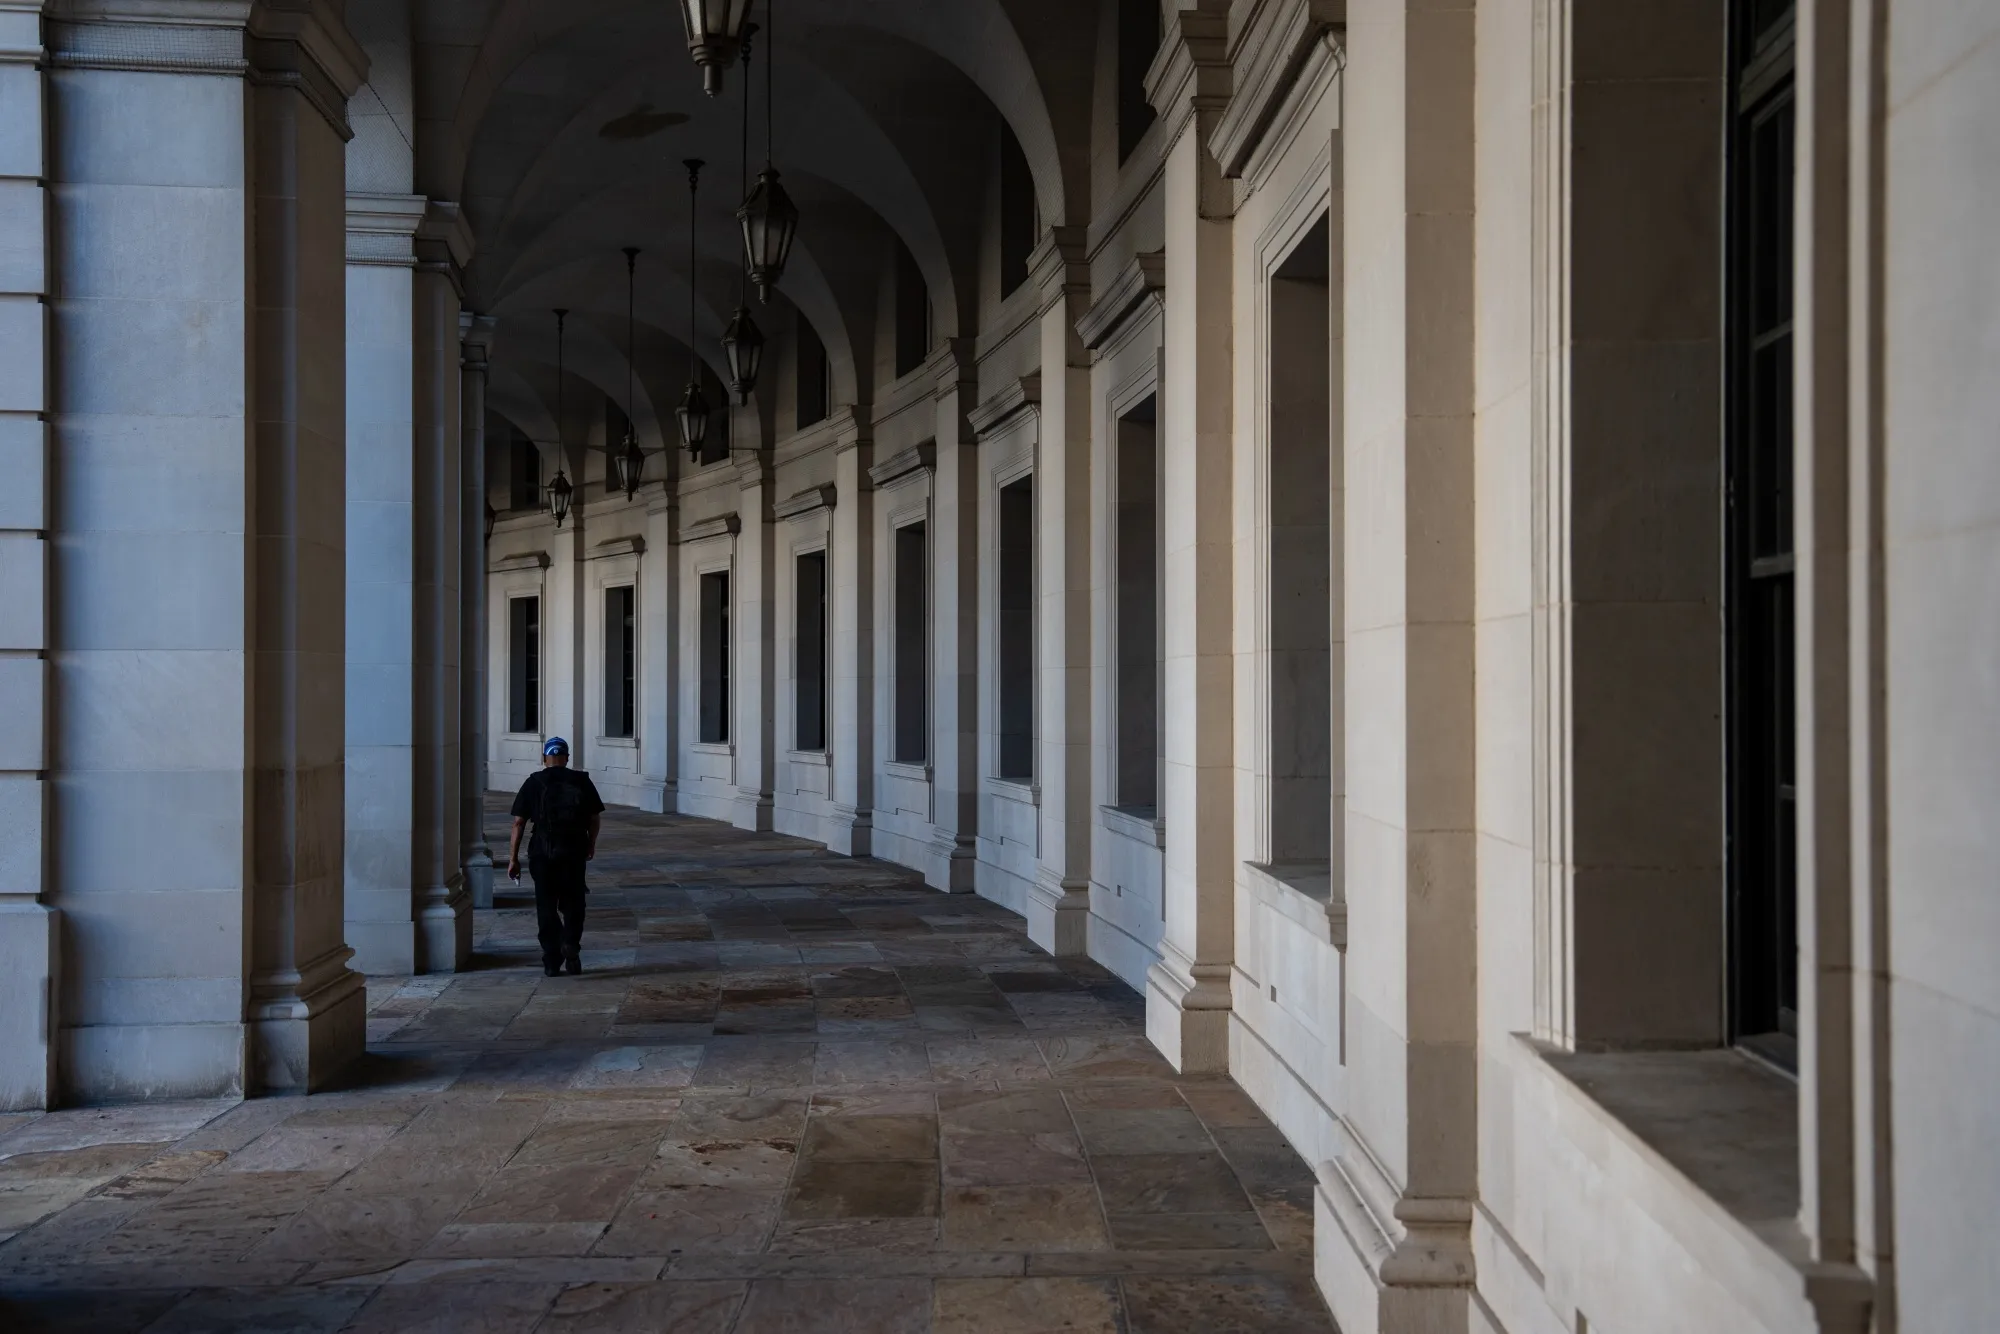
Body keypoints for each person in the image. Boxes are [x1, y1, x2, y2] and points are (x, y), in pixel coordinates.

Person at [507, 738, 605, 977]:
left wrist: (513, 858)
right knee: (574, 902)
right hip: (573, 850)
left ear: (544, 759)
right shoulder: (581, 781)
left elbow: (518, 823)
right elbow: (594, 818)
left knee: (546, 905)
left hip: (542, 852)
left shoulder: (534, 782)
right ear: (567, 758)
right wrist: (591, 843)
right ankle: (570, 943)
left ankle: (551, 961)